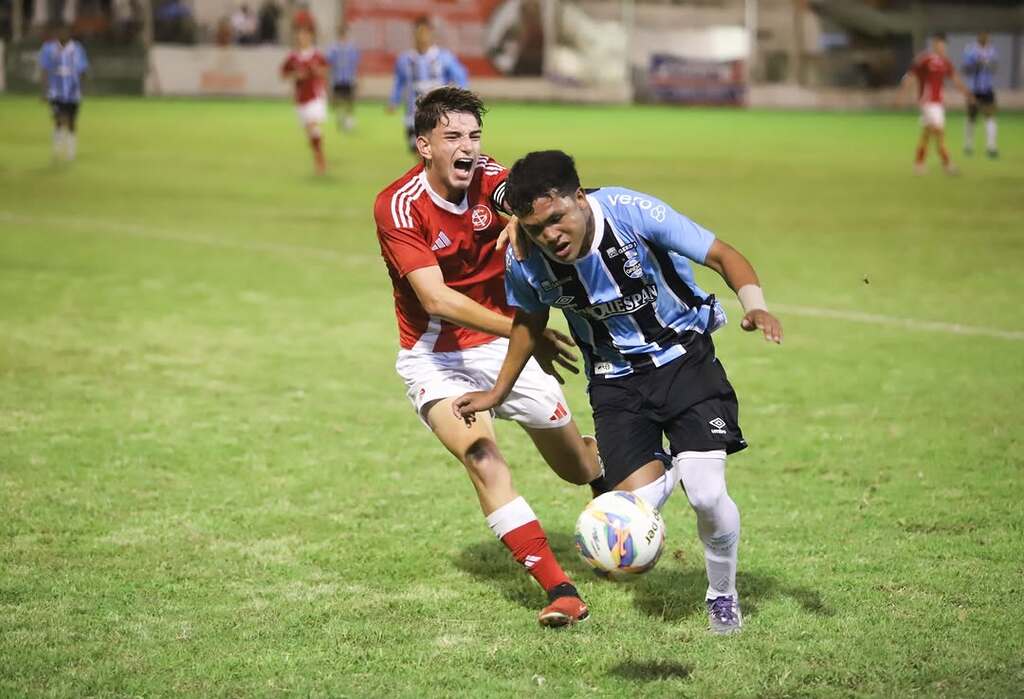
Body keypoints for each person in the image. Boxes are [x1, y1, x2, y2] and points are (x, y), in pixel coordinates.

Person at [453, 150, 784, 635]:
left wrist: (755, 306)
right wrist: (496, 391)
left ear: (580, 199)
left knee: (708, 495)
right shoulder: (525, 255)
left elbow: (721, 254)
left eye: (557, 219)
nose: (551, 235)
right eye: (537, 228)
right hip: (614, 382)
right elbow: (528, 318)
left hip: (684, 361)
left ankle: (722, 596)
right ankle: (677, 470)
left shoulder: (631, 212)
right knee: (633, 507)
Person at [373, 89, 603, 628]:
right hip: (437, 357)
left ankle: (613, 502)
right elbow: (436, 299)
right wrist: (528, 332)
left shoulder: (489, 176)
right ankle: (560, 590)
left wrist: (519, 220)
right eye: (453, 137)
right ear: (423, 145)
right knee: (482, 456)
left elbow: (533, 200)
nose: (468, 148)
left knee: (579, 468)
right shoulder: (399, 205)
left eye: (474, 136)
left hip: (501, 348)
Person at [388, 16, 468, 153]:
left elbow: (460, 76)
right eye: (419, 32)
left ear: (431, 34)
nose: (422, 36)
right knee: (419, 152)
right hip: (413, 115)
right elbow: (399, 82)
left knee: (435, 153)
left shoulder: (443, 58)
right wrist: (394, 101)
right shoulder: (405, 59)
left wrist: (462, 97)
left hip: (439, 115)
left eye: (425, 32)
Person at [901, 32, 973, 175]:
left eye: (944, 45)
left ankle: (919, 164)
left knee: (927, 134)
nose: (942, 47)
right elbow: (911, 75)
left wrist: (967, 94)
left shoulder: (946, 62)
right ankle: (947, 164)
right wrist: (903, 94)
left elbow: (955, 79)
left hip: (938, 103)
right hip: (927, 102)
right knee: (938, 132)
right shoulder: (925, 59)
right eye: (939, 44)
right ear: (934, 44)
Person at [280, 25, 328, 175]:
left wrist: (316, 71)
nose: (302, 38)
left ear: (310, 37)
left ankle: (320, 159)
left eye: (305, 35)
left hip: (316, 96)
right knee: (310, 132)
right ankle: (317, 154)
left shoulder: (317, 55)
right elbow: (283, 74)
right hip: (300, 98)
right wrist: (296, 75)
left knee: (313, 126)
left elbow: (325, 70)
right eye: (300, 36)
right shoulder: (293, 57)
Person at [38, 25, 88, 162]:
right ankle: (57, 150)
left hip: (73, 93)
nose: (61, 34)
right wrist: (44, 91)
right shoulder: (49, 49)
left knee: (71, 122)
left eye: (65, 31)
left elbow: (83, 70)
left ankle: (71, 153)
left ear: (70, 33)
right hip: (56, 93)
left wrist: (82, 89)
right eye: (59, 31)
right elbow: (44, 70)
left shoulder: (77, 49)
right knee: (58, 120)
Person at [962, 32, 999, 158]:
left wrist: (988, 64)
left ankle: (991, 147)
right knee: (971, 118)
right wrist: (976, 64)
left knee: (990, 117)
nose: (985, 39)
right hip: (973, 90)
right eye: (983, 37)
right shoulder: (971, 50)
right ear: (978, 38)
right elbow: (966, 69)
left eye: (987, 37)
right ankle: (968, 146)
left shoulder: (992, 51)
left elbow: (995, 67)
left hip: (987, 89)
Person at [326, 23, 360, 132]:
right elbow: (329, 64)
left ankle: (348, 121)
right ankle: (341, 119)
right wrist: (328, 79)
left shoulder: (351, 48)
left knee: (350, 101)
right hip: (337, 79)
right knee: (339, 101)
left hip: (349, 79)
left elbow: (355, 65)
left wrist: (357, 79)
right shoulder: (333, 48)